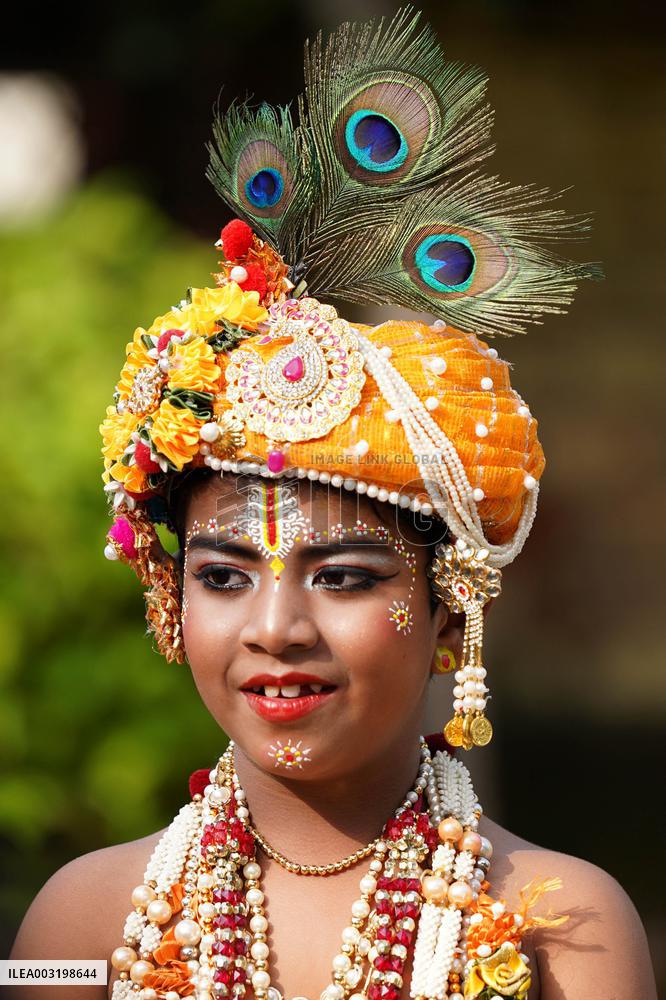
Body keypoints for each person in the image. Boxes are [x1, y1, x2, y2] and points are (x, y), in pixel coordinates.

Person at [9, 8, 657, 1000]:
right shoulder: (76, 925)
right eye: (223, 575)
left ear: (448, 604)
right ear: (167, 601)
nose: (276, 629)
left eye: (344, 576)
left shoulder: (564, 931)